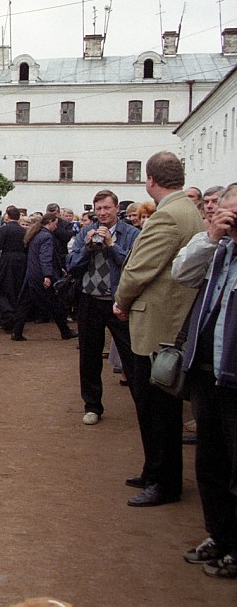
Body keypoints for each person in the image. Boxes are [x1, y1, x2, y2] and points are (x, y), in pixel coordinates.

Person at [113, 151, 203, 507]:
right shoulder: (187, 210)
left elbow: (138, 270)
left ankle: (164, 481)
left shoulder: (167, 215)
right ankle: (154, 471)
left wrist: (121, 301)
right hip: (170, 321)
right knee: (158, 408)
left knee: (157, 410)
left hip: (158, 325)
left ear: (150, 180)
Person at [171, 183, 237, 579]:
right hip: (207, 370)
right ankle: (219, 535)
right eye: (223, 210)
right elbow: (182, 273)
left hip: (234, 375)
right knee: (210, 463)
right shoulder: (216, 248)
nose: (227, 216)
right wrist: (212, 237)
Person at [65, 190, 139, 426]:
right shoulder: (86, 231)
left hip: (119, 302)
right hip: (90, 300)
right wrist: (87, 247)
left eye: (107, 208)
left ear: (117, 208)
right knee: (89, 356)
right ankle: (92, 406)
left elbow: (133, 265)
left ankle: (143, 405)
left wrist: (111, 245)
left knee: (132, 356)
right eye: (98, 209)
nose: (103, 213)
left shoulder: (131, 233)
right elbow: (72, 265)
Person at [11, 213, 77, 341]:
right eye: (55, 224)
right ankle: (65, 331)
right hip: (40, 275)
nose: (56, 227)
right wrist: (47, 275)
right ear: (50, 222)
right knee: (55, 304)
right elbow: (45, 257)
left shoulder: (35, 234)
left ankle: (17, 332)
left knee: (24, 304)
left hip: (31, 274)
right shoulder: (46, 236)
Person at [0, 206, 27, 331]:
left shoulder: (5, 229)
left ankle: (8, 317)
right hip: (21, 261)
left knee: (1, 288)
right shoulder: (23, 230)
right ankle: (16, 318)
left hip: (7, 261)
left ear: (8, 215)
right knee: (17, 289)